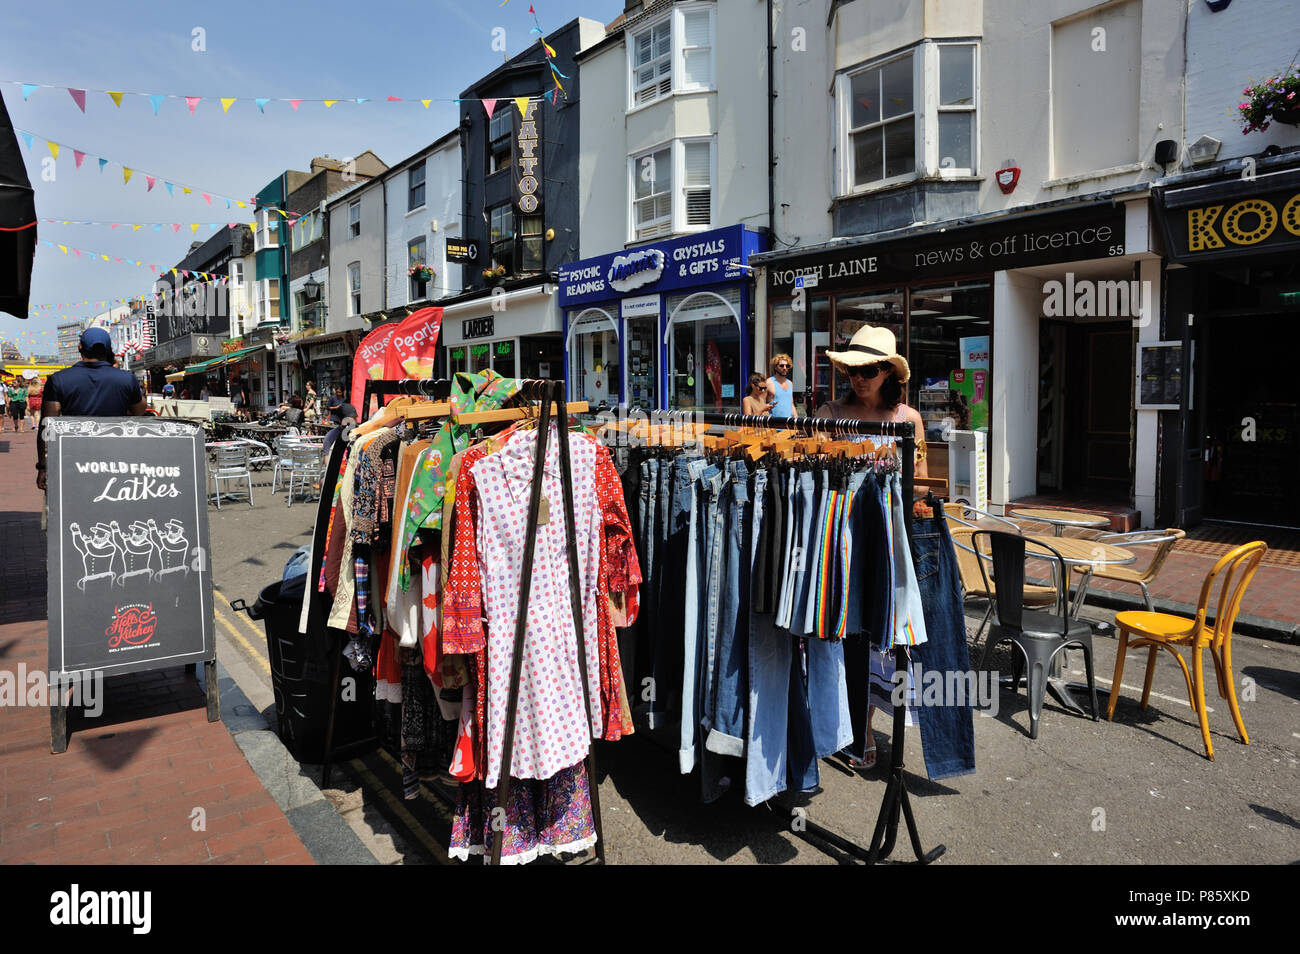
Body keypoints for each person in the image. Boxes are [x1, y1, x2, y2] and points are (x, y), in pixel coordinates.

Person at [818, 324, 928, 771]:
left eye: (869, 370)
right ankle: (846, 724)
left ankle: (863, 723)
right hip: (841, 534)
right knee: (844, 631)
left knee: (885, 636)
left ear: (888, 372)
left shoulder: (908, 420)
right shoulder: (828, 413)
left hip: (890, 536)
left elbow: (919, 482)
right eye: (852, 369)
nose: (858, 378)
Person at [37, 327, 148, 490]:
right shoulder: (126, 379)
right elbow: (140, 411)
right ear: (109, 350)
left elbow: (47, 426)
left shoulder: (58, 380)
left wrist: (43, 466)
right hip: (117, 456)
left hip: (73, 456)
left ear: (80, 347)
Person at [766, 354, 796, 418]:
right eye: (781, 366)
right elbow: (762, 404)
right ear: (775, 367)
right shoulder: (769, 383)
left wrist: (796, 417)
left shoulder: (790, 383)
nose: (785, 368)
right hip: (773, 424)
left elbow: (791, 403)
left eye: (787, 366)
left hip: (789, 425)